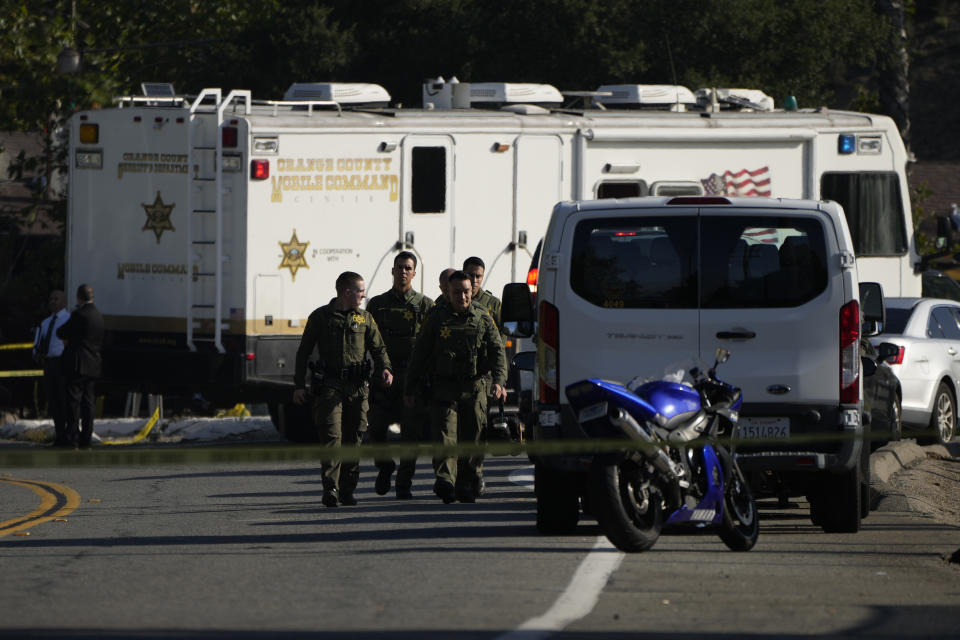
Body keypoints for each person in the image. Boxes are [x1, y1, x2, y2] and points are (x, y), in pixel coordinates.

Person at [404, 270, 507, 503]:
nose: (462, 297)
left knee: (473, 437)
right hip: (444, 388)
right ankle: (445, 481)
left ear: (473, 292)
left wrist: (499, 382)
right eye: (457, 292)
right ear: (447, 293)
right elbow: (420, 354)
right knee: (445, 436)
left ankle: (466, 483)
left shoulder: (482, 317)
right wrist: (410, 388)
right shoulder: (436, 317)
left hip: (474, 388)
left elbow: (498, 352)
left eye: (466, 292)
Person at [294, 271, 393, 508]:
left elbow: (378, 349)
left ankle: (348, 489)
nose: (363, 295)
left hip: (358, 388)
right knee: (331, 438)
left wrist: (385, 369)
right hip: (329, 386)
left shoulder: (365, 318)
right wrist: (298, 385)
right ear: (347, 292)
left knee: (354, 439)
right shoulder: (320, 317)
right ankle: (331, 488)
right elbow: (303, 352)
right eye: (360, 291)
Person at [366, 252, 435, 498]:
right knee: (375, 428)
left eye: (408, 268)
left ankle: (404, 483)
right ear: (392, 271)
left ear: (414, 273)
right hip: (384, 376)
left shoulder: (426, 305)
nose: (403, 272)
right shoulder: (377, 304)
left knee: (411, 434)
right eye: (399, 267)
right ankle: (385, 466)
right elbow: (367, 340)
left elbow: (431, 345)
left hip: (412, 378)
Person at [56, 284, 104, 449]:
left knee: (73, 402)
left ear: (79, 298)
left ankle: (72, 437)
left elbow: (62, 332)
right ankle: (87, 438)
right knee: (89, 403)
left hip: (78, 364)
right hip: (93, 364)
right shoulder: (98, 315)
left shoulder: (79, 314)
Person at [33, 289, 71, 447]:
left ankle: (69, 434)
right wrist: (36, 353)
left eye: (56, 298)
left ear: (63, 301)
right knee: (53, 401)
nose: (53, 301)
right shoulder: (45, 322)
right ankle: (60, 435)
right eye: (51, 299)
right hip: (49, 363)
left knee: (64, 400)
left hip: (63, 363)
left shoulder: (68, 319)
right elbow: (38, 342)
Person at [462, 256, 502, 331]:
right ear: (463, 273)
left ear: (483, 276)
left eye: (478, 276)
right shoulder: (453, 299)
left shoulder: (493, 303)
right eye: (470, 275)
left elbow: (503, 331)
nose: (474, 280)